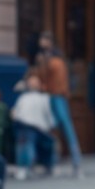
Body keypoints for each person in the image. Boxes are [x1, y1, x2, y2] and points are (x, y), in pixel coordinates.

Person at [36, 33, 83, 176]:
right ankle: (53, 162)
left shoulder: (53, 60)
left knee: (62, 127)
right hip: (54, 96)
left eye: (43, 40)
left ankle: (74, 162)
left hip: (55, 96)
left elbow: (47, 78)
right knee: (53, 129)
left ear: (49, 42)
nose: (41, 42)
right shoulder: (51, 58)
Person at [10, 73, 57, 179]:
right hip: (25, 125)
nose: (33, 84)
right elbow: (16, 112)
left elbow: (48, 114)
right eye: (31, 82)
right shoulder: (24, 97)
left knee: (30, 145)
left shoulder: (43, 98)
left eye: (35, 82)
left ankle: (28, 168)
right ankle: (24, 168)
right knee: (26, 145)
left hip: (38, 128)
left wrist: (50, 125)